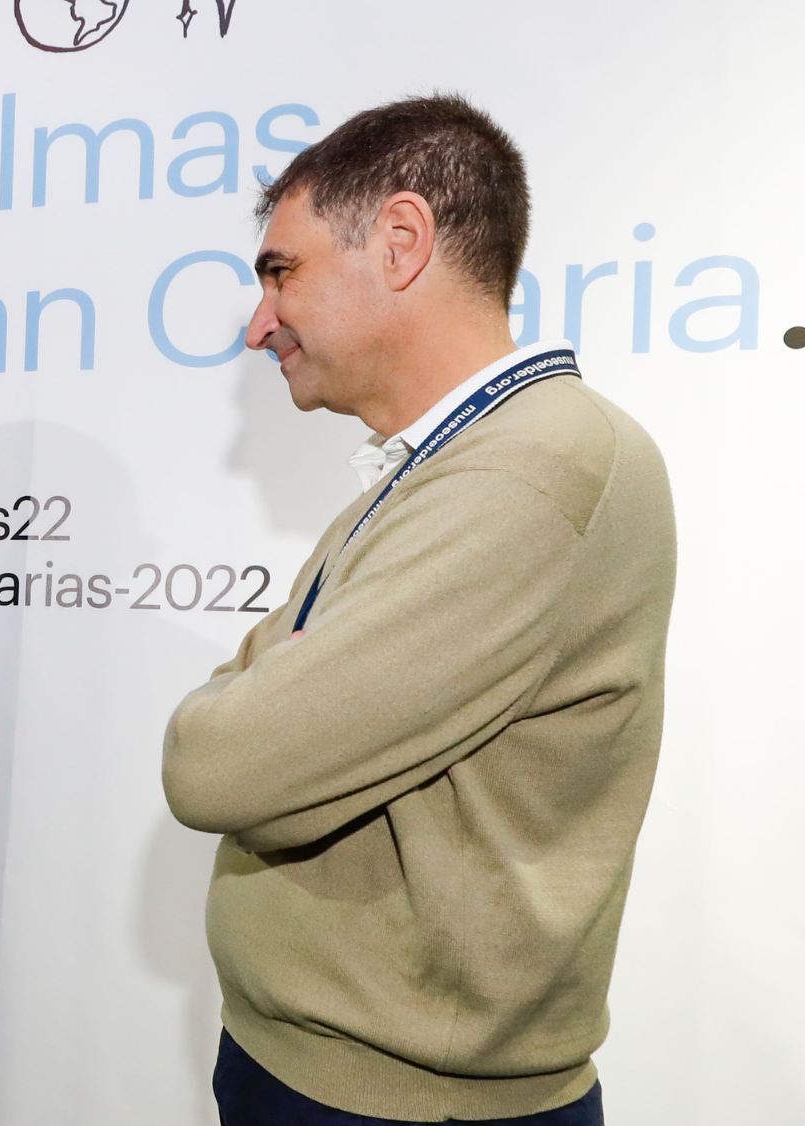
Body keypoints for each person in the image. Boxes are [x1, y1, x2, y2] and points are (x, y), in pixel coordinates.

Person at [162, 95, 676, 1125]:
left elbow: (214, 757)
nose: (259, 321)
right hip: (331, 1070)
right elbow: (255, 692)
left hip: (397, 1100)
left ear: (400, 240)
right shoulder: (445, 465)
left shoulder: (527, 471)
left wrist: (265, 690)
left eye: (280, 271)